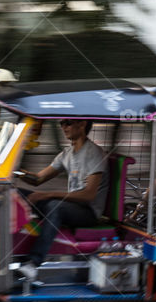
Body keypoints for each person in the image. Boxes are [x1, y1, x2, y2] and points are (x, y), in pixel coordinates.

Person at [15, 118, 109, 280]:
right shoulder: (67, 153)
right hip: (70, 205)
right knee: (15, 193)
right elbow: (38, 179)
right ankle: (13, 251)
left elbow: (88, 195)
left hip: (88, 212)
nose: (63, 127)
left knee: (54, 206)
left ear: (82, 124)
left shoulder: (94, 153)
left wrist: (47, 194)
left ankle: (33, 262)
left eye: (67, 123)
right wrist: (15, 170)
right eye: (61, 124)